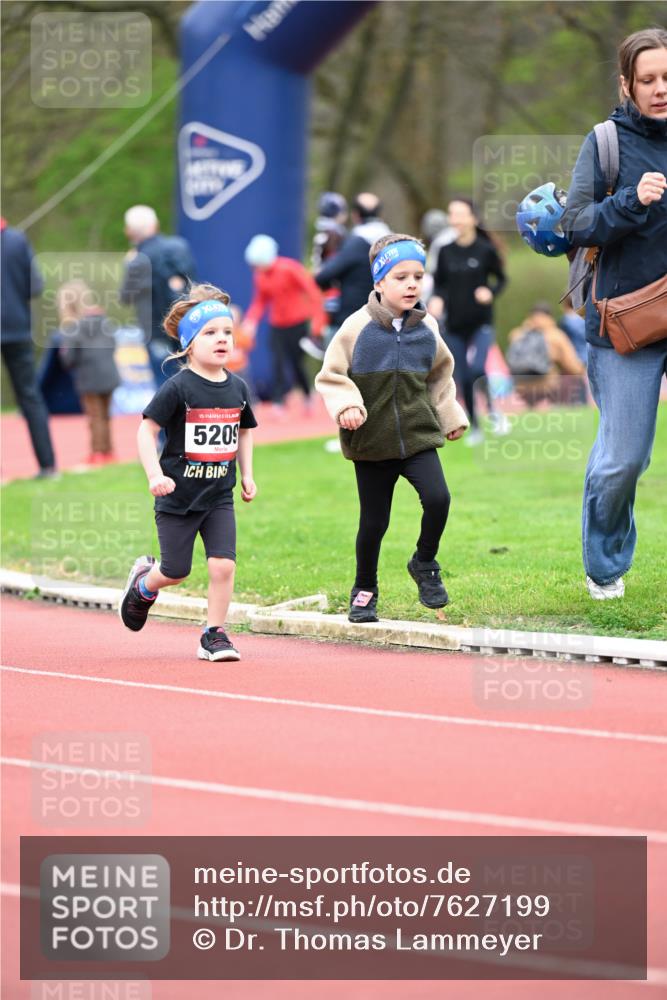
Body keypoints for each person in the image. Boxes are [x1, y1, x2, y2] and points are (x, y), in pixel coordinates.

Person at [562, 27, 667, 601]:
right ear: (626, 84)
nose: (660, 89)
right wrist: (631, 202)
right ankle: (605, 567)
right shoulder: (607, 142)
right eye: (648, 79)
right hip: (628, 322)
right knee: (622, 461)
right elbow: (574, 224)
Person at [315, 233, 468, 623]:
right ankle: (364, 588)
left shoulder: (427, 326)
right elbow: (331, 376)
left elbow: (440, 375)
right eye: (401, 277)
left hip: (417, 435)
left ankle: (425, 562)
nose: (412, 284)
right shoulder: (356, 328)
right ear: (379, 282)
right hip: (372, 441)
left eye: (418, 276)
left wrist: (449, 416)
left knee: (439, 499)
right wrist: (347, 405)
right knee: (374, 522)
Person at [118, 282, 258, 662]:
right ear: (189, 343)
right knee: (176, 570)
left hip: (218, 497)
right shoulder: (177, 387)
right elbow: (146, 431)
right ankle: (144, 585)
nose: (222, 339)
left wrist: (247, 474)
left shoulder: (238, 388)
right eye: (210, 333)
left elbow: (244, 431)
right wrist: (153, 476)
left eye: (227, 332)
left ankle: (213, 634)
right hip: (177, 498)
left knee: (223, 565)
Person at [429, 198, 508, 445]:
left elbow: (502, 279)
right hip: (453, 324)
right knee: (462, 376)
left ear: (473, 218)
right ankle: (475, 426)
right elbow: (440, 285)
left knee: (477, 370)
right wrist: (438, 300)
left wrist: (490, 293)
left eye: (461, 214)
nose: (456, 220)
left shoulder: (485, 250)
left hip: (481, 322)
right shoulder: (445, 251)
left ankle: (495, 413)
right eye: (452, 215)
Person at [242, 234, 325, 413]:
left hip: (297, 323)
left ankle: (307, 393)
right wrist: (251, 321)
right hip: (277, 323)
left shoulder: (289, 268)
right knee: (277, 361)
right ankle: (278, 401)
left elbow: (312, 291)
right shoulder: (260, 276)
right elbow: (260, 300)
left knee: (296, 362)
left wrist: (318, 321)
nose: (255, 267)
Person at [0, 218, 56, 477]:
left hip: (16, 330)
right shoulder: (17, 240)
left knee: (29, 396)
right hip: (17, 328)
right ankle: (48, 466)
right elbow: (36, 286)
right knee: (30, 396)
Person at [119, 205, 197, 388]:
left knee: (165, 383)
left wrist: (128, 265)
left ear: (130, 232)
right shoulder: (180, 246)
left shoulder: (137, 259)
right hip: (187, 325)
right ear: (156, 225)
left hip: (155, 330)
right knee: (193, 377)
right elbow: (193, 284)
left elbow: (125, 297)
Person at [57, 279, 120, 465]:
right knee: (106, 416)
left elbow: (68, 357)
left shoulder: (72, 328)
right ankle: (109, 451)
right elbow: (113, 344)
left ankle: (97, 452)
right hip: (109, 374)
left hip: (88, 377)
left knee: (95, 417)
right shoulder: (103, 320)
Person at [314, 192, 390, 329]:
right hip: (385, 317)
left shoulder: (356, 243)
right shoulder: (392, 242)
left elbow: (324, 276)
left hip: (352, 320)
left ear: (355, 215)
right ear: (380, 215)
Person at [507, 302, 586, 408]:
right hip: (547, 386)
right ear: (550, 317)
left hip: (520, 387)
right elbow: (574, 367)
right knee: (573, 379)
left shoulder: (516, 334)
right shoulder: (556, 336)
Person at [301, 191, 349, 360]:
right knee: (327, 308)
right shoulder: (333, 233)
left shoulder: (323, 230)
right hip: (330, 281)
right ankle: (317, 336)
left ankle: (318, 335)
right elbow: (336, 258)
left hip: (323, 275)